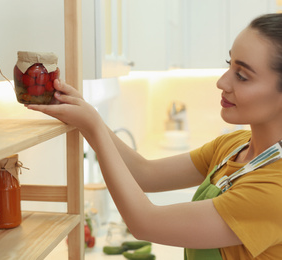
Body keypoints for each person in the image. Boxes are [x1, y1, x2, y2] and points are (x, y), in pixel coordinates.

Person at [26, 13, 282, 260]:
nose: (222, 82)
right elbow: (143, 174)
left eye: (242, 76)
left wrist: (92, 126)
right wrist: (86, 117)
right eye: (229, 65)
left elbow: (145, 223)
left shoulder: (274, 190)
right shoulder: (232, 146)